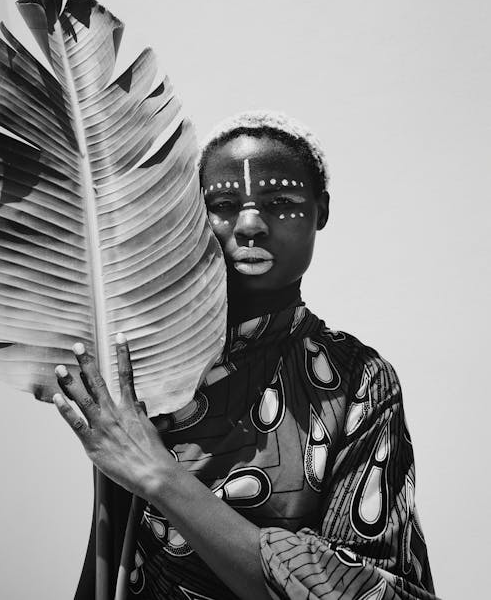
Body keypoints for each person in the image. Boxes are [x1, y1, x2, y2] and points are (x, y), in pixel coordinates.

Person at [54, 110, 439, 600]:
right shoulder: (143, 368)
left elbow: (364, 589)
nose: (251, 224)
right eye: (224, 203)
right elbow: (108, 553)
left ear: (322, 210)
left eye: (281, 202)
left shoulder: (360, 379)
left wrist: (159, 476)